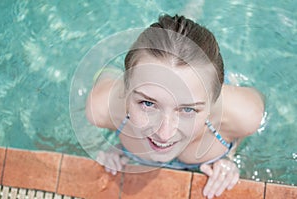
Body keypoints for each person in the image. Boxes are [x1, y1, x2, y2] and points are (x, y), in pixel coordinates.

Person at [86, 14, 264, 198]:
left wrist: (230, 156)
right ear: (126, 90)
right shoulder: (102, 108)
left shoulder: (244, 115)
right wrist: (110, 147)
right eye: (147, 103)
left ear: (213, 104)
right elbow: (106, 73)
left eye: (188, 109)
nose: (164, 134)